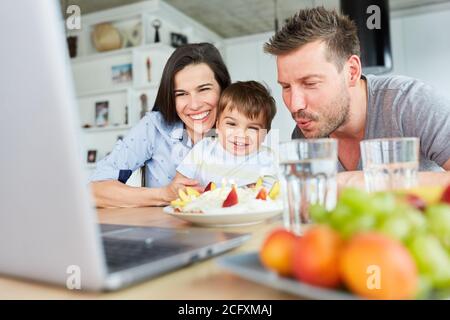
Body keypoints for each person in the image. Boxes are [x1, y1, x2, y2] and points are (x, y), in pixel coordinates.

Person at [263, 7, 450, 188]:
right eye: (286, 86)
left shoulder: (411, 102)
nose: (295, 105)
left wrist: (367, 181)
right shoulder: (305, 133)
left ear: (351, 72)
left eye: (310, 83)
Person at [89, 43, 231, 208]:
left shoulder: (243, 128)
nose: (194, 105)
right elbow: (94, 191)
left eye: (204, 89)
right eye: (181, 94)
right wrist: (164, 194)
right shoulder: (154, 127)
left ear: (223, 89)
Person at [176, 81, 278, 188]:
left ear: (264, 134)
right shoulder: (204, 148)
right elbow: (179, 184)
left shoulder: (267, 158)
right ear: (218, 125)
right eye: (232, 124)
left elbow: (270, 194)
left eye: (252, 128)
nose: (241, 135)